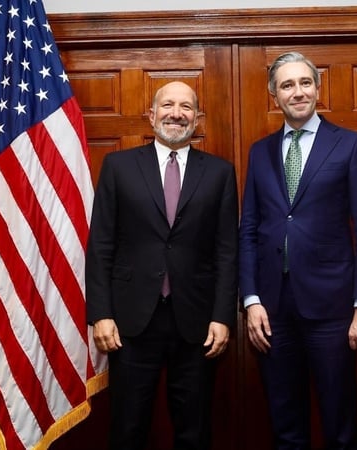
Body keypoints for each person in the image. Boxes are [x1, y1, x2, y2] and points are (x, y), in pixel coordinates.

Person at [239, 51, 357, 450]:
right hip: (272, 313)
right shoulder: (260, 152)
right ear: (274, 96)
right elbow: (249, 228)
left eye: (305, 83)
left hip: (333, 312)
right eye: (287, 85)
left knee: (340, 426)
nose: (297, 92)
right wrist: (251, 300)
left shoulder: (351, 146)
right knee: (286, 428)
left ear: (318, 89)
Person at [86, 81, 238, 450]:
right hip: (131, 322)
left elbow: (227, 250)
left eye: (186, 107)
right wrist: (101, 314)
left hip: (197, 322)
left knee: (194, 429)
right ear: (151, 115)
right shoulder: (119, 166)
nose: (176, 113)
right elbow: (101, 244)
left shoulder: (219, 173)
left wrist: (222, 317)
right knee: (128, 427)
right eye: (167, 105)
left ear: (197, 118)